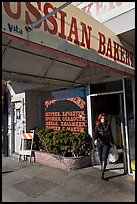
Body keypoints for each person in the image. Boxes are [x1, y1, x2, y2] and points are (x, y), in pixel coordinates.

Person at [94, 113, 115, 180]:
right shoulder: (97, 126)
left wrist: (113, 142)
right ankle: (102, 167)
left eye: (104, 118)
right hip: (100, 143)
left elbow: (110, 134)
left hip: (107, 144)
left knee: (104, 157)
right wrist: (95, 139)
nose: (103, 119)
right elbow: (95, 134)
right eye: (102, 118)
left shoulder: (108, 125)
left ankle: (103, 173)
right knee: (100, 157)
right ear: (100, 119)